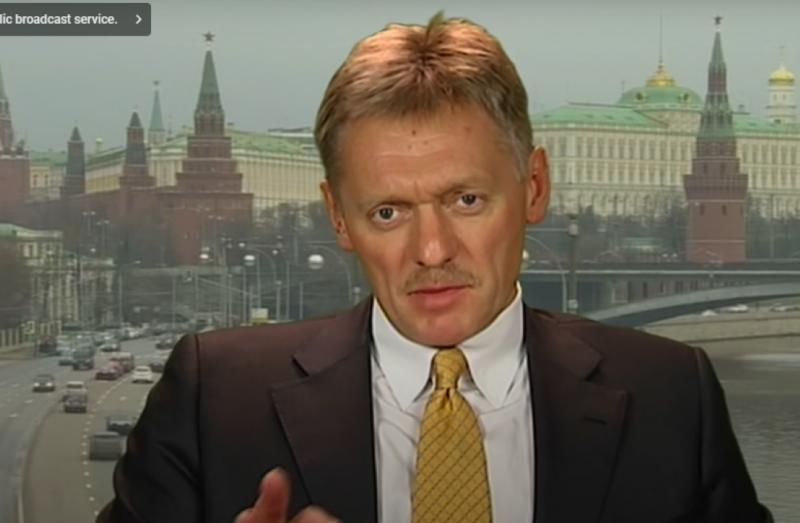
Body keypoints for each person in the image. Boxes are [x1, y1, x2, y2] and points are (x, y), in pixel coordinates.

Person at [98, 13, 772, 523]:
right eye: (388, 211)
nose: (431, 250)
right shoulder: (213, 399)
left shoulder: (669, 396)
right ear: (339, 218)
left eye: (466, 200)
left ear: (534, 187)